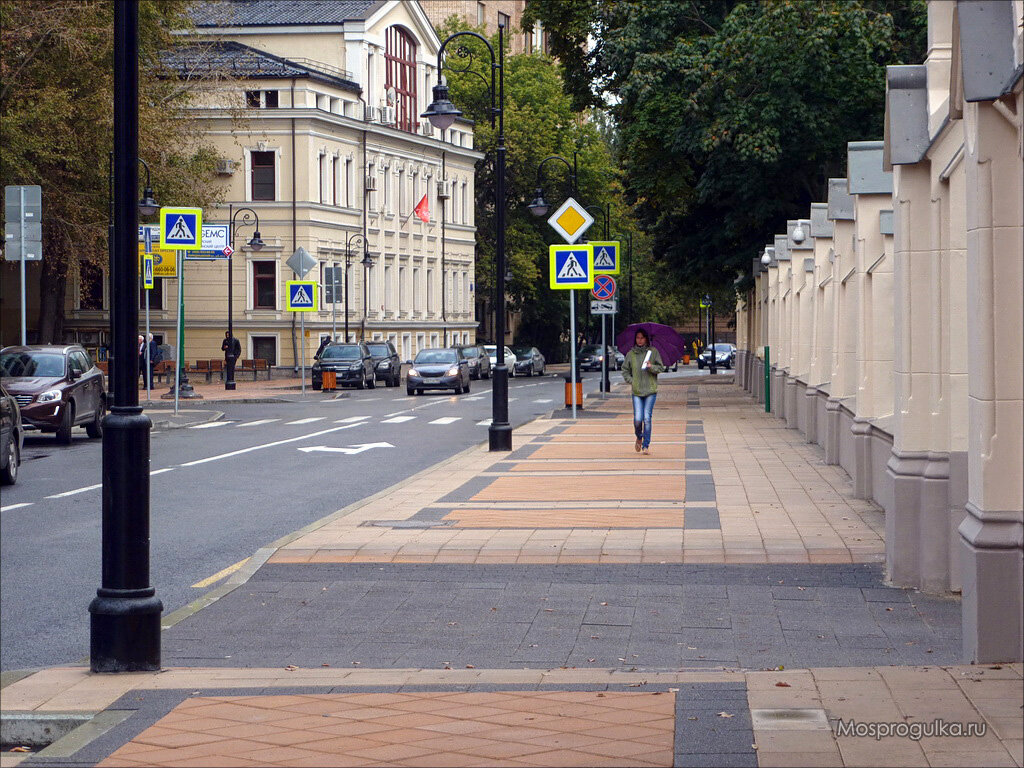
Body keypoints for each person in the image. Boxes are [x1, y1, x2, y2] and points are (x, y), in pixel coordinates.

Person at [621, 328, 665, 455]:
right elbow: (625, 369)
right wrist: (631, 381)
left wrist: (651, 367)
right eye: (637, 338)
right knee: (637, 419)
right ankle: (639, 436)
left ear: (646, 338)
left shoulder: (653, 352)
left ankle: (646, 445)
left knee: (647, 418)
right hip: (637, 391)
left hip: (650, 390)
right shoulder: (631, 354)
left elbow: (661, 367)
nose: (639, 340)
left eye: (642, 338)